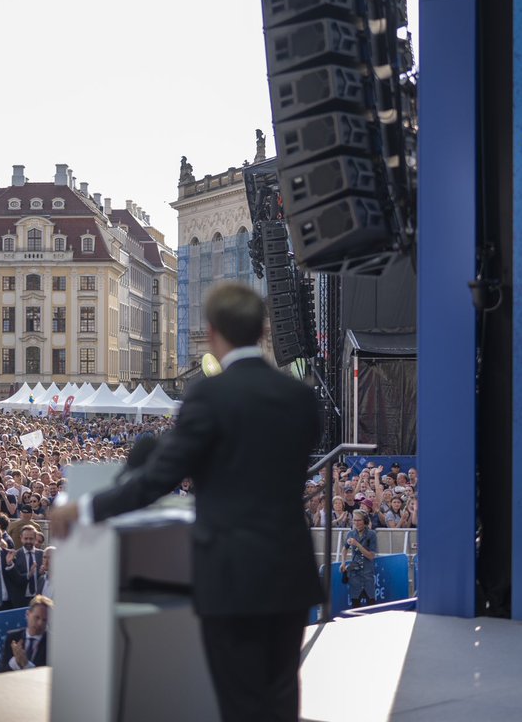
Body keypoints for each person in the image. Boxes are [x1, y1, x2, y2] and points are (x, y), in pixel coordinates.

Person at [49, 281, 324, 722]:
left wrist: (82, 509)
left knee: (239, 704)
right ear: (262, 330)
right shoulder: (301, 396)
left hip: (231, 577)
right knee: (281, 700)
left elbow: (157, 478)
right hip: (289, 570)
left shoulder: (210, 395)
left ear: (213, 333)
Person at [0, 595, 52, 671]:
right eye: (37, 617)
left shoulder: (52, 643)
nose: (40, 623)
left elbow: (48, 675)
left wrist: (26, 664)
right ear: (28, 614)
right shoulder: (12, 637)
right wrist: (15, 661)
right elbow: (1, 673)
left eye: (44, 620)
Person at [343, 509, 378, 607]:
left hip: (367, 573)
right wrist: (343, 563)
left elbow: (371, 556)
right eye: (354, 520)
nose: (356, 523)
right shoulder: (351, 533)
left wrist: (357, 544)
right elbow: (344, 549)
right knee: (355, 604)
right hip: (355, 574)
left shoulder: (371, 534)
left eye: (359, 520)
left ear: (365, 521)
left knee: (371, 603)